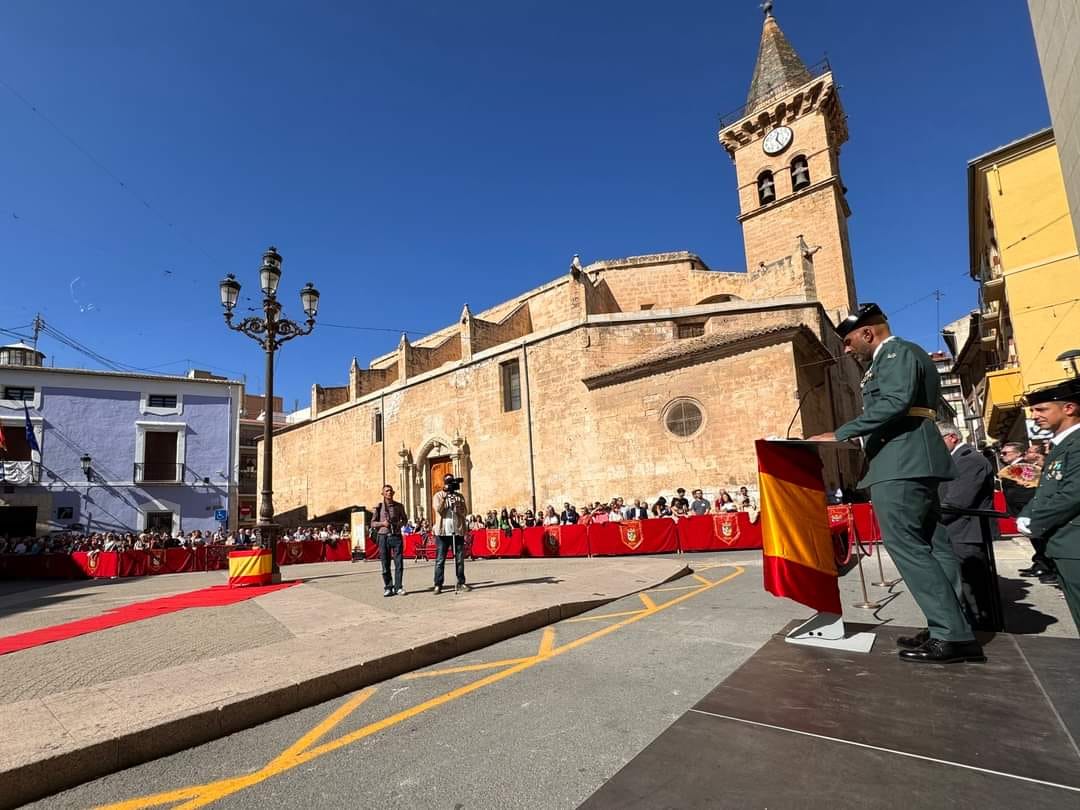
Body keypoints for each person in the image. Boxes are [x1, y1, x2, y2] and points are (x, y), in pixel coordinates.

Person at [808, 302, 980, 664]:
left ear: (868, 333)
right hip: (914, 457)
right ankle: (949, 626)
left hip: (900, 462)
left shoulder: (895, 353)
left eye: (850, 340)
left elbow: (896, 402)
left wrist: (840, 433)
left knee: (908, 547)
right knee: (933, 546)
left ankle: (950, 633)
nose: (847, 349)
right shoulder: (902, 355)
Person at [1017, 379, 1080, 632]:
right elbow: (1048, 488)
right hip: (1064, 543)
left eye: (1041, 409)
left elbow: (1073, 493)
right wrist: (1026, 513)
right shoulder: (1061, 444)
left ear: (1069, 408)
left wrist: (1036, 521)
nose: (1034, 416)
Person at [936, 423, 997, 631]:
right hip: (957, 530)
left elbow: (957, 502)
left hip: (966, 532)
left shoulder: (969, 459)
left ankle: (982, 628)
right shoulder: (955, 459)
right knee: (965, 584)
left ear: (952, 437)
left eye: (938, 440)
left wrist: (930, 521)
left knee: (974, 586)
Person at [998, 442, 1050, 577]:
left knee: (1038, 537)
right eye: (1001, 453)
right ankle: (1039, 562)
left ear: (1018, 453)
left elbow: (1030, 487)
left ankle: (1045, 565)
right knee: (1033, 537)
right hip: (1020, 506)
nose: (1002, 456)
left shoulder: (1025, 467)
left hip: (1027, 505)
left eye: (1005, 453)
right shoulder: (1010, 467)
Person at [432, 474, 471, 594]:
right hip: (443, 532)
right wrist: (445, 496)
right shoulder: (438, 495)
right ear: (444, 483)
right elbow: (438, 509)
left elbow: (465, 511)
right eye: (448, 482)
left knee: (459, 559)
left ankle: (461, 582)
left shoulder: (459, 496)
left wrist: (457, 507)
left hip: (457, 530)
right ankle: (438, 584)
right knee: (440, 560)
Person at [371, 484, 407, 596]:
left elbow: (405, 519)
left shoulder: (399, 506)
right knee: (385, 563)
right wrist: (382, 523)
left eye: (391, 491)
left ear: (393, 493)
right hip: (383, 536)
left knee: (399, 563)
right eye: (386, 491)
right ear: (383, 493)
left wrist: (400, 524)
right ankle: (388, 587)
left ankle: (398, 587)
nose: (389, 492)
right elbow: (372, 523)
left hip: (396, 536)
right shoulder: (379, 507)